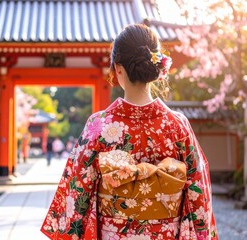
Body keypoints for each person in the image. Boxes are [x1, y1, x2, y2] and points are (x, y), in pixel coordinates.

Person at [41, 24, 218, 239]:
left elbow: (77, 191)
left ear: (118, 68)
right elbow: (198, 193)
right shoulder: (177, 125)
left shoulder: (99, 125)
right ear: (157, 68)